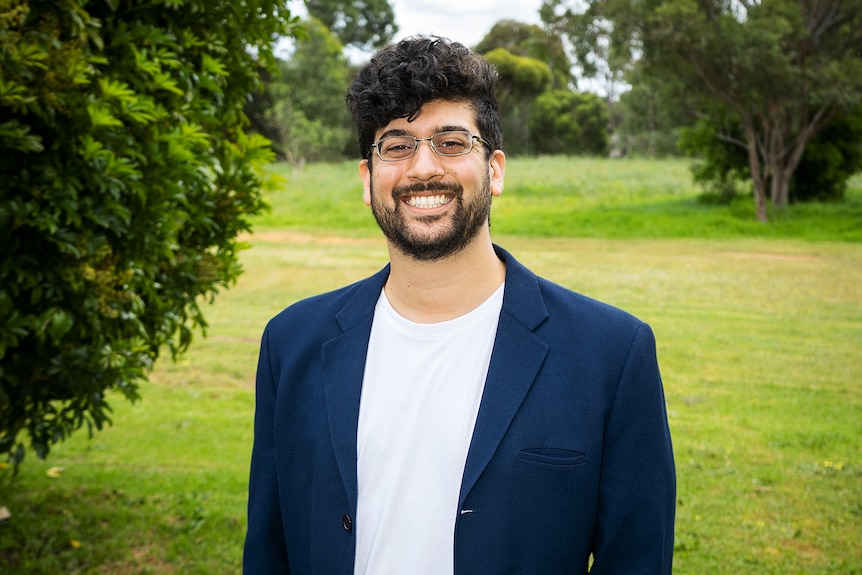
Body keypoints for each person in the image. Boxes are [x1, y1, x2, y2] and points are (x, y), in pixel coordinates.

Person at [243, 37, 675, 574]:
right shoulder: (291, 343)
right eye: (397, 145)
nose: (424, 168)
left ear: (494, 170)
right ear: (367, 178)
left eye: (450, 142)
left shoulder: (611, 355)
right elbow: (267, 552)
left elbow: (636, 560)